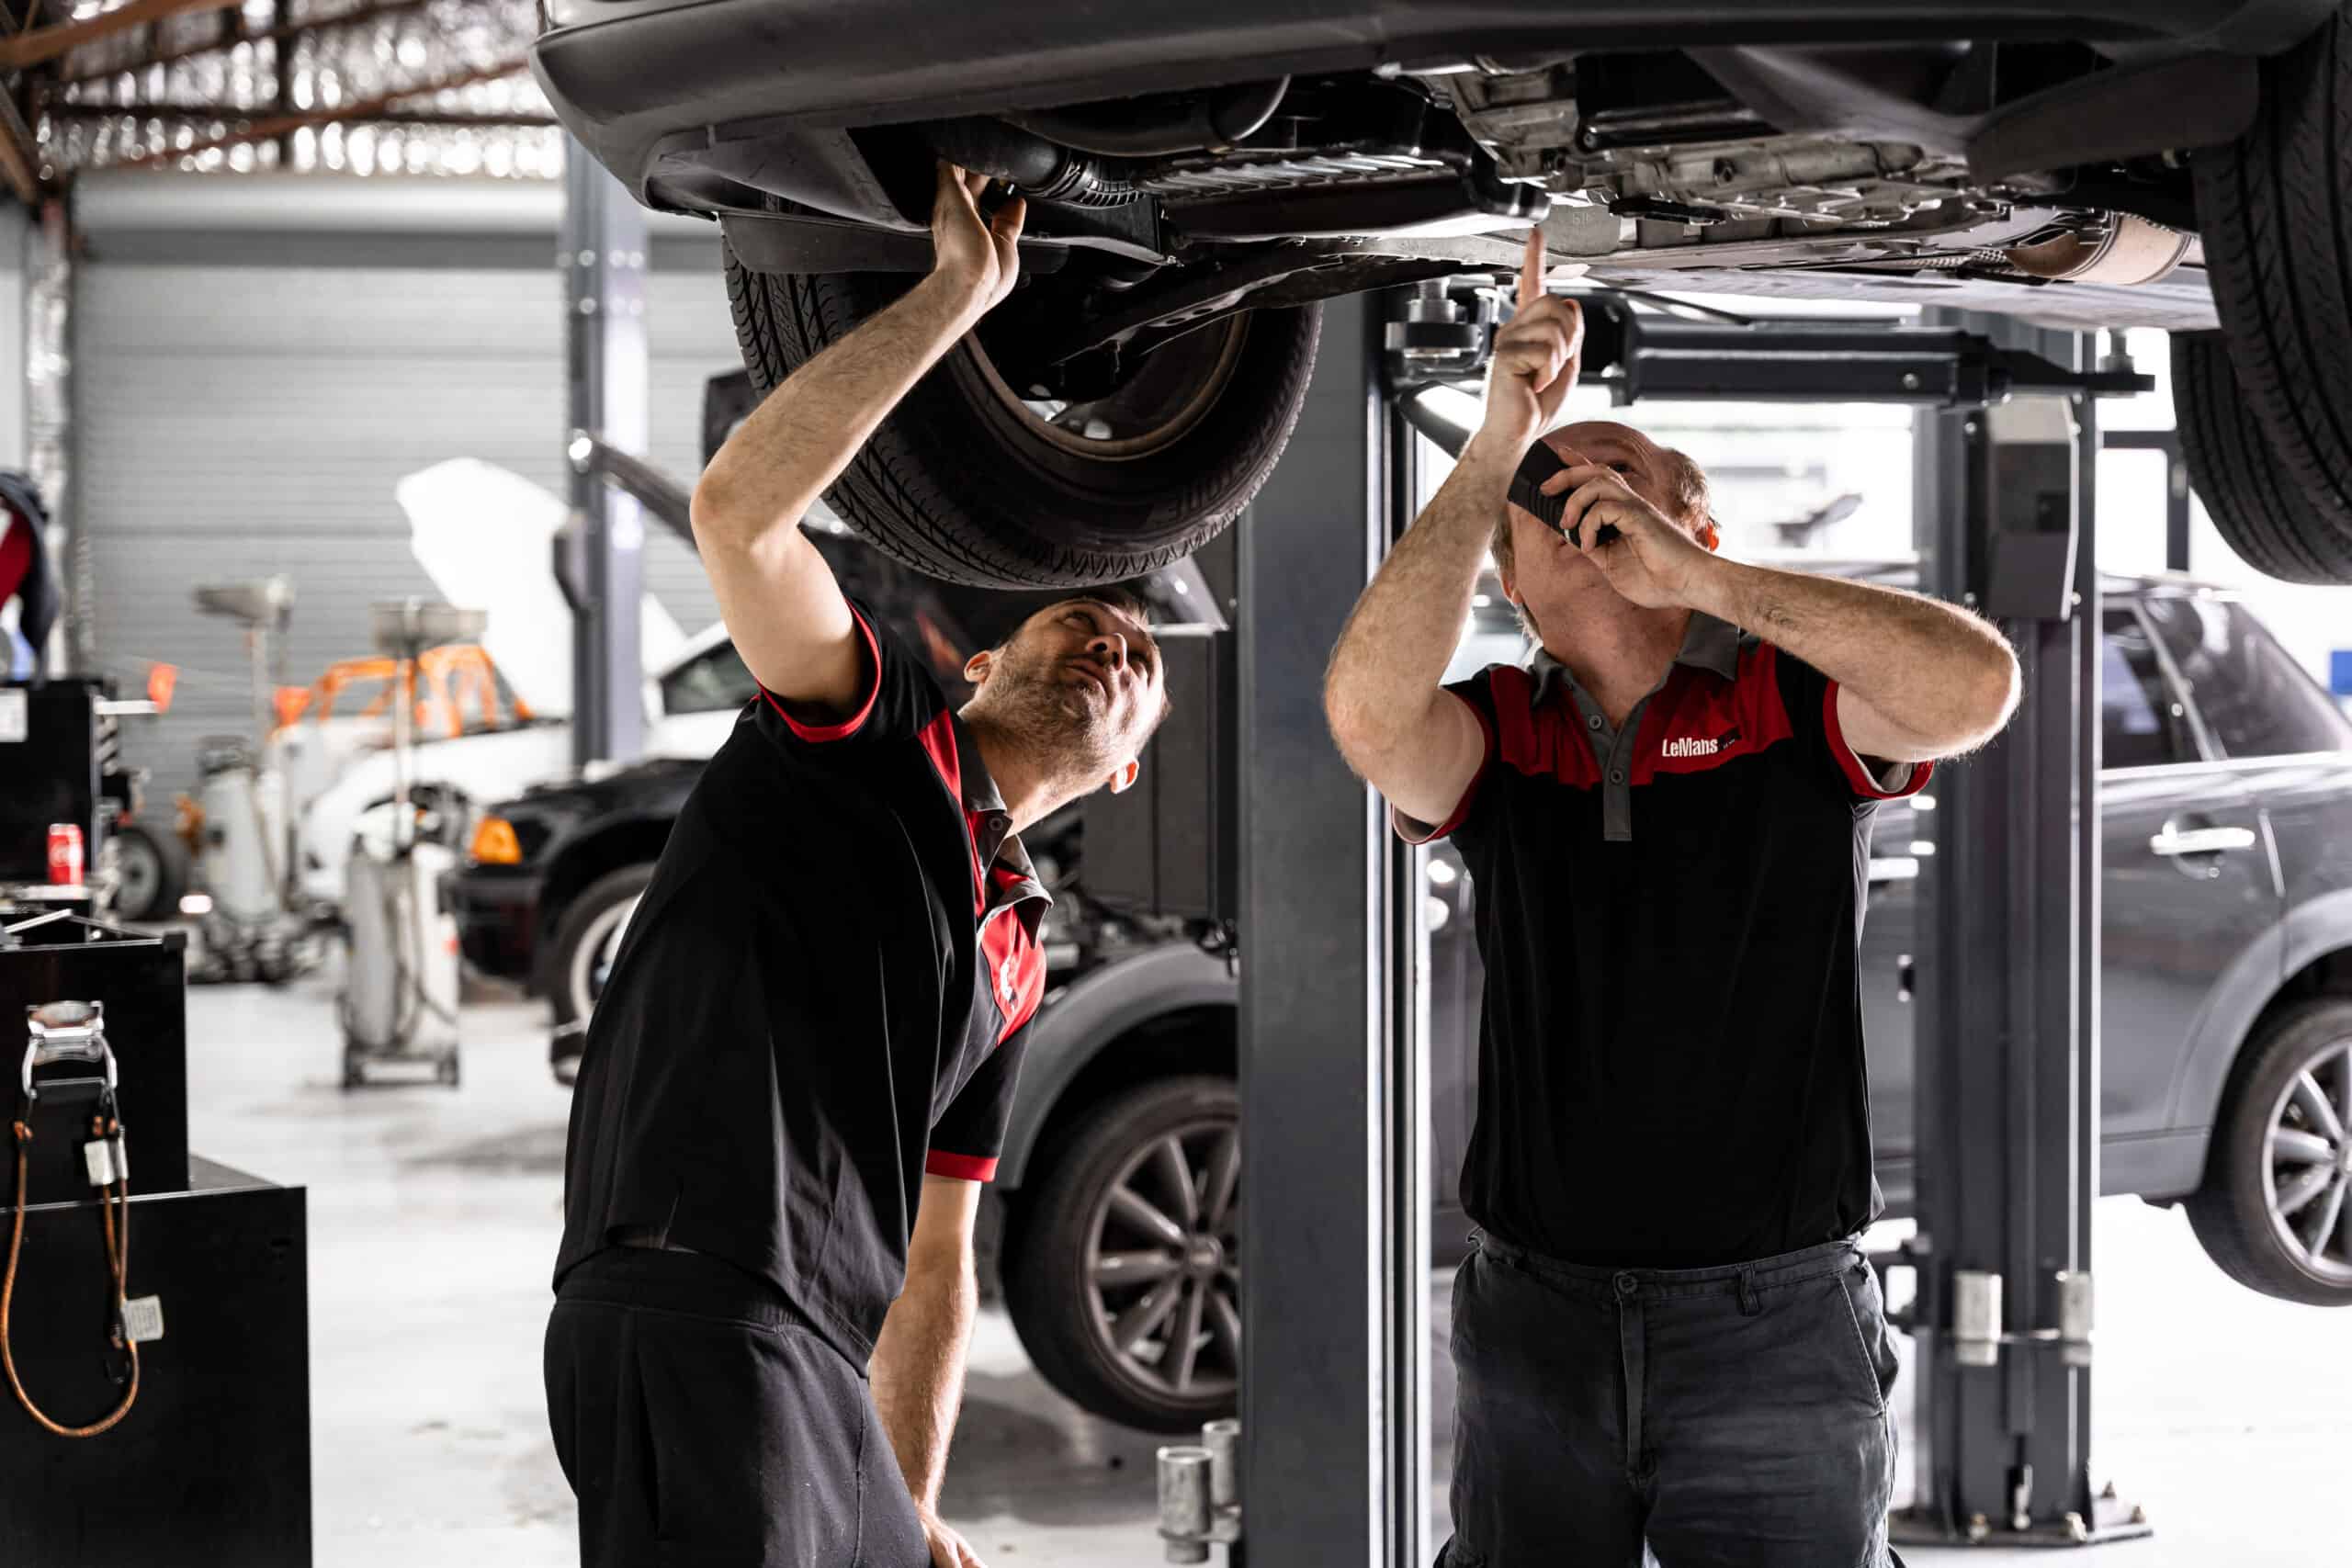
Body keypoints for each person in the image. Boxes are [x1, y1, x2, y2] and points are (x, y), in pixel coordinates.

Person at [1324, 231, 2019, 1566]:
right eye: (1554, 490)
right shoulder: (1498, 727)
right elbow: (1366, 715)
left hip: (1775, 1325)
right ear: (1512, 584)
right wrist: (1495, 441)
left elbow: (1974, 689)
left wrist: (1700, 583)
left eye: (1625, 478)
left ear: (1693, 524)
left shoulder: (1784, 700)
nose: (1580, 484)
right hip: (1537, 1321)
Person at [543, 163, 1170, 1568]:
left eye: (1138, 663)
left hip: (802, 1350)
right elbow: (740, 520)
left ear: (1126, 766)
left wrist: (915, 1495)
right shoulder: (865, 731)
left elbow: (942, 1253)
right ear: (986, 663)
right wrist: (951, 301)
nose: (1116, 643)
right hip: (693, 1304)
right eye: (1083, 622)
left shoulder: (1021, 946)